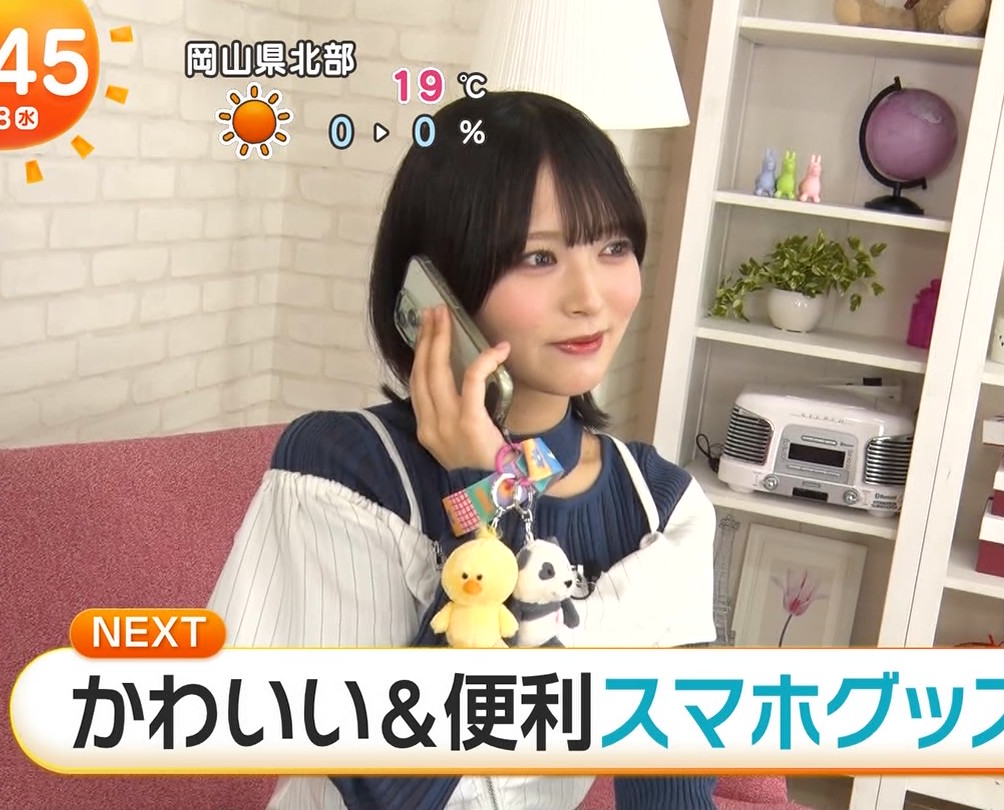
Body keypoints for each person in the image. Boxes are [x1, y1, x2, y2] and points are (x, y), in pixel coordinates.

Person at [207, 90, 719, 810]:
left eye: (612, 248)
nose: (590, 298)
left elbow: (674, 789)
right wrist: (485, 493)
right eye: (538, 257)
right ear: (437, 289)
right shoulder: (343, 470)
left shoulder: (659, 506)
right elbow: (385, 794)